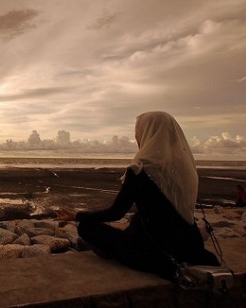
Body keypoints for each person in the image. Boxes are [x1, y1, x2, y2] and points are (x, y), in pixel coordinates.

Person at [55, 111, 220, 280]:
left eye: (138, 134)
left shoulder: (140, 169)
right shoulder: (185, 169)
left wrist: (77, 215)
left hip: (153, 250)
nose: (137, 139)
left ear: (148, 134)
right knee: (140, 218)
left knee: (86, 227)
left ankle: (122, 253)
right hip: (190, 246)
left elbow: (116, 213)